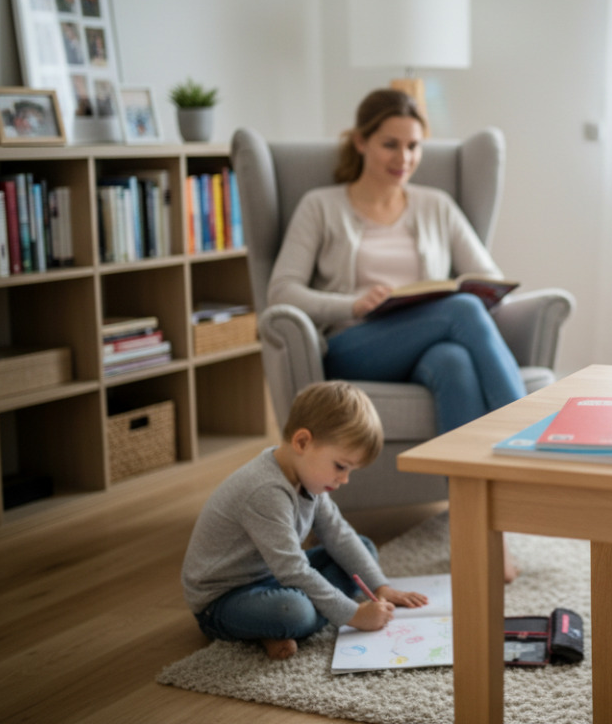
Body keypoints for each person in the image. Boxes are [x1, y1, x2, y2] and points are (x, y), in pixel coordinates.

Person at [267, 87, 526, 578]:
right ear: (361, 141)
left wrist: (459, 291)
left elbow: (488, 277)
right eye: (390, 144)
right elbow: (282, 290)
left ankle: (481, 539)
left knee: (455, 359)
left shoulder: (436, 205)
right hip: (355, 344)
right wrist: (353, 303)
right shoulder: (320, 206)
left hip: (428, 343)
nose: (403, 158)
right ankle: (527, 442)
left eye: (413, 146)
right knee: (464, 312)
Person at [182, 380, 427, 660]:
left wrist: (381, 586)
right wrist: (353, 615)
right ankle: (272, 627)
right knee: (293, 612)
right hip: (224, 599)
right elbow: (293, 570)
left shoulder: (307, 476)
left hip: (273, 576)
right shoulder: (265, 491)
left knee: (362, 548)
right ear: (302, 442)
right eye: (340, 466)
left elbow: (339, 534)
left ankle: (277, 627)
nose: (344, 480)